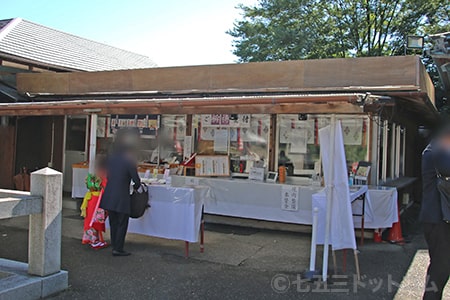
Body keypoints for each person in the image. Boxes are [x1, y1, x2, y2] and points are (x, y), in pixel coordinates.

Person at [420, 127, 450, 300]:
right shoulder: (435, 151)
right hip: (437, 219)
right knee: (440, 267)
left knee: (441, 267)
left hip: (439, 217)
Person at [101, 132, 141, 257]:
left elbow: (108, 176)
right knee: (122, 223)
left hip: (109, 196)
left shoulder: (111, 160)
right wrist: (135, 187)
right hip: (122, 197)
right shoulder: (129, 161)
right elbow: (137, 181)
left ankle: (114, 244)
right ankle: (118, 248)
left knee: (113, 222)